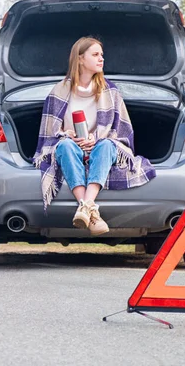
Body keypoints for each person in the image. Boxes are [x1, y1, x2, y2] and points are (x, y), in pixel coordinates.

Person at [33, 37, 156, 236]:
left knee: (107, 145)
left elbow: (120, 132)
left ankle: (85, 206)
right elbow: (52, 131)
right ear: (80, 59)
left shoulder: (110, 91)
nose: (101, 59)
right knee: (63, 146)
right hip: (72, 146)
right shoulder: (59, 91)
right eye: (95, 54)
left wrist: (95, 138)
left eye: (102, 55)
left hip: (100, 146)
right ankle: (91, 212)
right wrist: (68, 134)